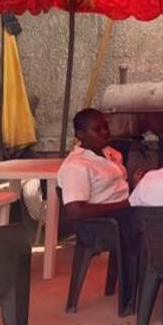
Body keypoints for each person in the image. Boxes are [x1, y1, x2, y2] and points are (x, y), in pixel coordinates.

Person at [58, 108, 138, 312]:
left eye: (105, 127)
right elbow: (75, 211)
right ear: (80, 135)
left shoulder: (109, 153)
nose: (104, 132)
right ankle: (131, 299)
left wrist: (136, 188)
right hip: (100, 226)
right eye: (97, 129)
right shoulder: (76, 166)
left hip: (121, 213)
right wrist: (125, 205)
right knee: (149, 228)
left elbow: (115, 189)